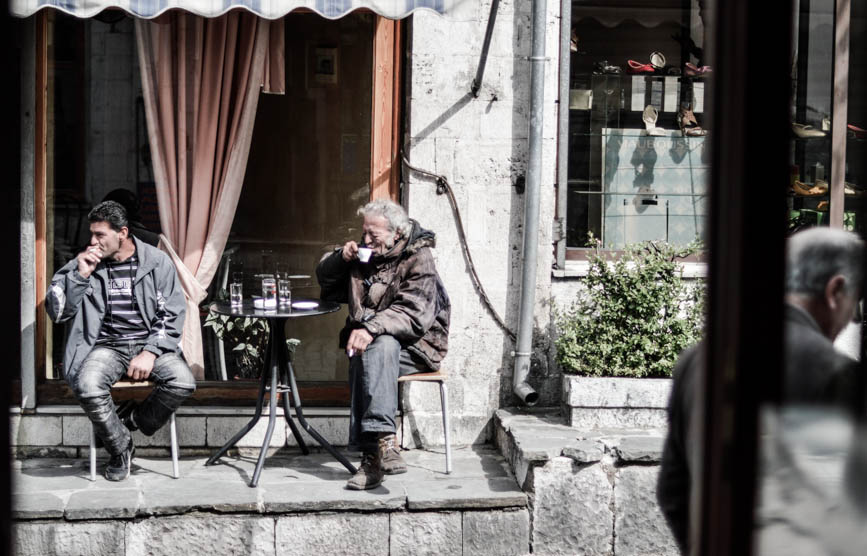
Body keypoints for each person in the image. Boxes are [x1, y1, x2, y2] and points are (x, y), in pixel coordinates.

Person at [656, 227, 864, 553]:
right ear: (835, 290)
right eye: (856, 303)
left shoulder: (697, 359)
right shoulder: (839, 374)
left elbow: (672, 490)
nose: (852, 316)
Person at [46, 201, 196, 481]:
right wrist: (80, 276)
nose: (93, 241)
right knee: (88, 386)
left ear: (122, 233)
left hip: (151, 343)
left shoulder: (156, 261)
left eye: (100, 234)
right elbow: (59, 312)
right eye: (92, 233)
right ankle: (120, 446)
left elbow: (172, 311)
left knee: (183, 382)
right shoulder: (87, 263)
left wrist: (150, 352)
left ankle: (131, 421)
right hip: (107, 347)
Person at [317, 199, 450, 490]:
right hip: (377, 346)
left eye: (373, 235)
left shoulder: (419, 256)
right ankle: (384, 442)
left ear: (396, 233)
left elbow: (414, 313)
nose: (366, 240)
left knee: (377, 346)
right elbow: (325, 281)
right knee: (374, 349)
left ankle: (369, 459)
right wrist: (341, 257)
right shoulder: (366, 256)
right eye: (364, 233)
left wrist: (370, 328)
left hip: (419, 345)